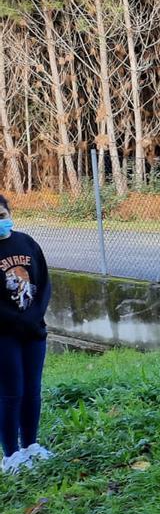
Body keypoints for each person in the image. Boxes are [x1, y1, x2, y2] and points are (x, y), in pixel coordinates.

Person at [0, 193, 53, 476]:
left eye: (1, 216)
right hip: (4, 335)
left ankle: (31, 445)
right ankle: (11, 455)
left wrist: (35, 316)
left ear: (9, 214)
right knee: (11, 393)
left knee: (32, 390)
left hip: (34, 331)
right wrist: (18, 321)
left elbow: (43, 282)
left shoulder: (27, 242)